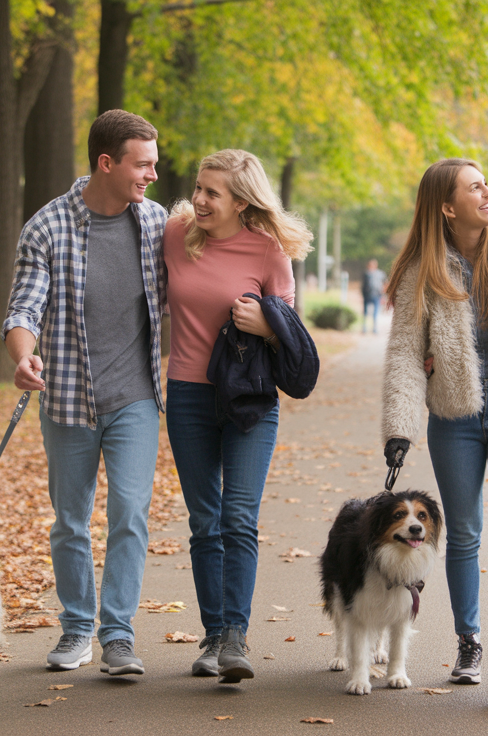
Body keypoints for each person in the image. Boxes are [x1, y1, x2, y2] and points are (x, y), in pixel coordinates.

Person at [2, 109, 166, 677]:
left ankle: (117, 635)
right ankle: (76, 629)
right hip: (67, 400)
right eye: (142, 164)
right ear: (107, 163)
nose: (151, 174)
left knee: (129, 512)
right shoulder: (47, 227)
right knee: (70, 520)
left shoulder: (156, 223)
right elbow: (23, 306)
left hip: (136, 399)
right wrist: (23, 356)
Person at [380, 159, 488, 694]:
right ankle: (469, 643)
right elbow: (406, 352)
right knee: (465, 533)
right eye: (475, 187)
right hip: (454, 410)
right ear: (448, 207)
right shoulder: (422, 272)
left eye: (486, 183)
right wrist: (400, 427)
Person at [163, 149, 313, 683]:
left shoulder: (269, 250)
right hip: (187, 394)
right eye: (199, 188)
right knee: (205, 520)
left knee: (238, 517)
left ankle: (235, 637)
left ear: (241, 200)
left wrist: (267, 326)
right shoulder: (175, 235)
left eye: (212, 192)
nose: (199, 199)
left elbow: (291, 333)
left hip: (250, 398)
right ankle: (211, 634)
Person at [361, 258, 385, 333]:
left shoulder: (380, 274)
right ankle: (364, 328)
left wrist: (383, 295)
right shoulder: (366, 274)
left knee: (375, 313)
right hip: (367, 295)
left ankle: (374, 328)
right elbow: (363, 285)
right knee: (365, 313)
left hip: (377, 295)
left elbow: (384, 284)